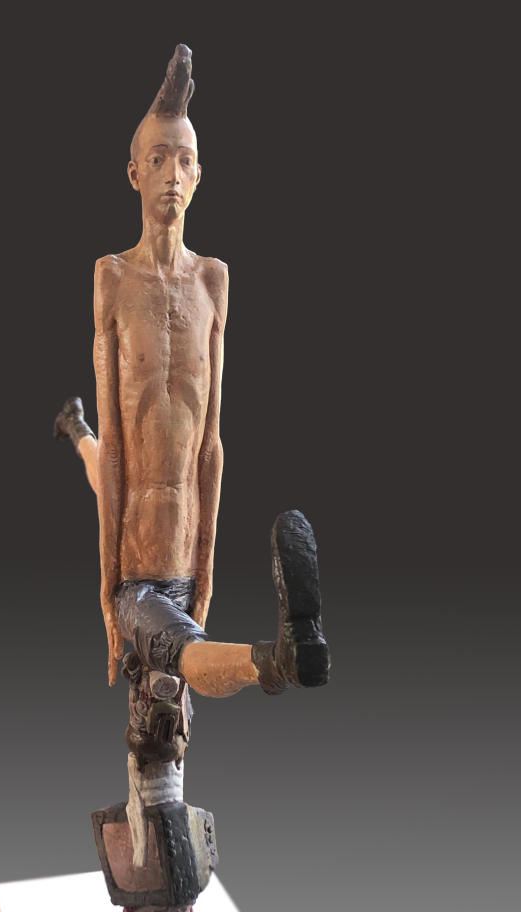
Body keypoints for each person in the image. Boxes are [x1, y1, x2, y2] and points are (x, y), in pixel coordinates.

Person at [56, 45, 330, 699]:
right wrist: (106, 595)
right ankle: (278, 661)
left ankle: (72, 427)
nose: (172, 175)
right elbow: (119, 455)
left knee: (175, 692)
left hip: (182, 556)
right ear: (134, 173)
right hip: (137, 574)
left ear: (200, 174)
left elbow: (210, 444)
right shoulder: (112, 277)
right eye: (158, 159)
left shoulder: (214, 280)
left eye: (184, 160)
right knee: (190, 657)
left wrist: (204, 577)